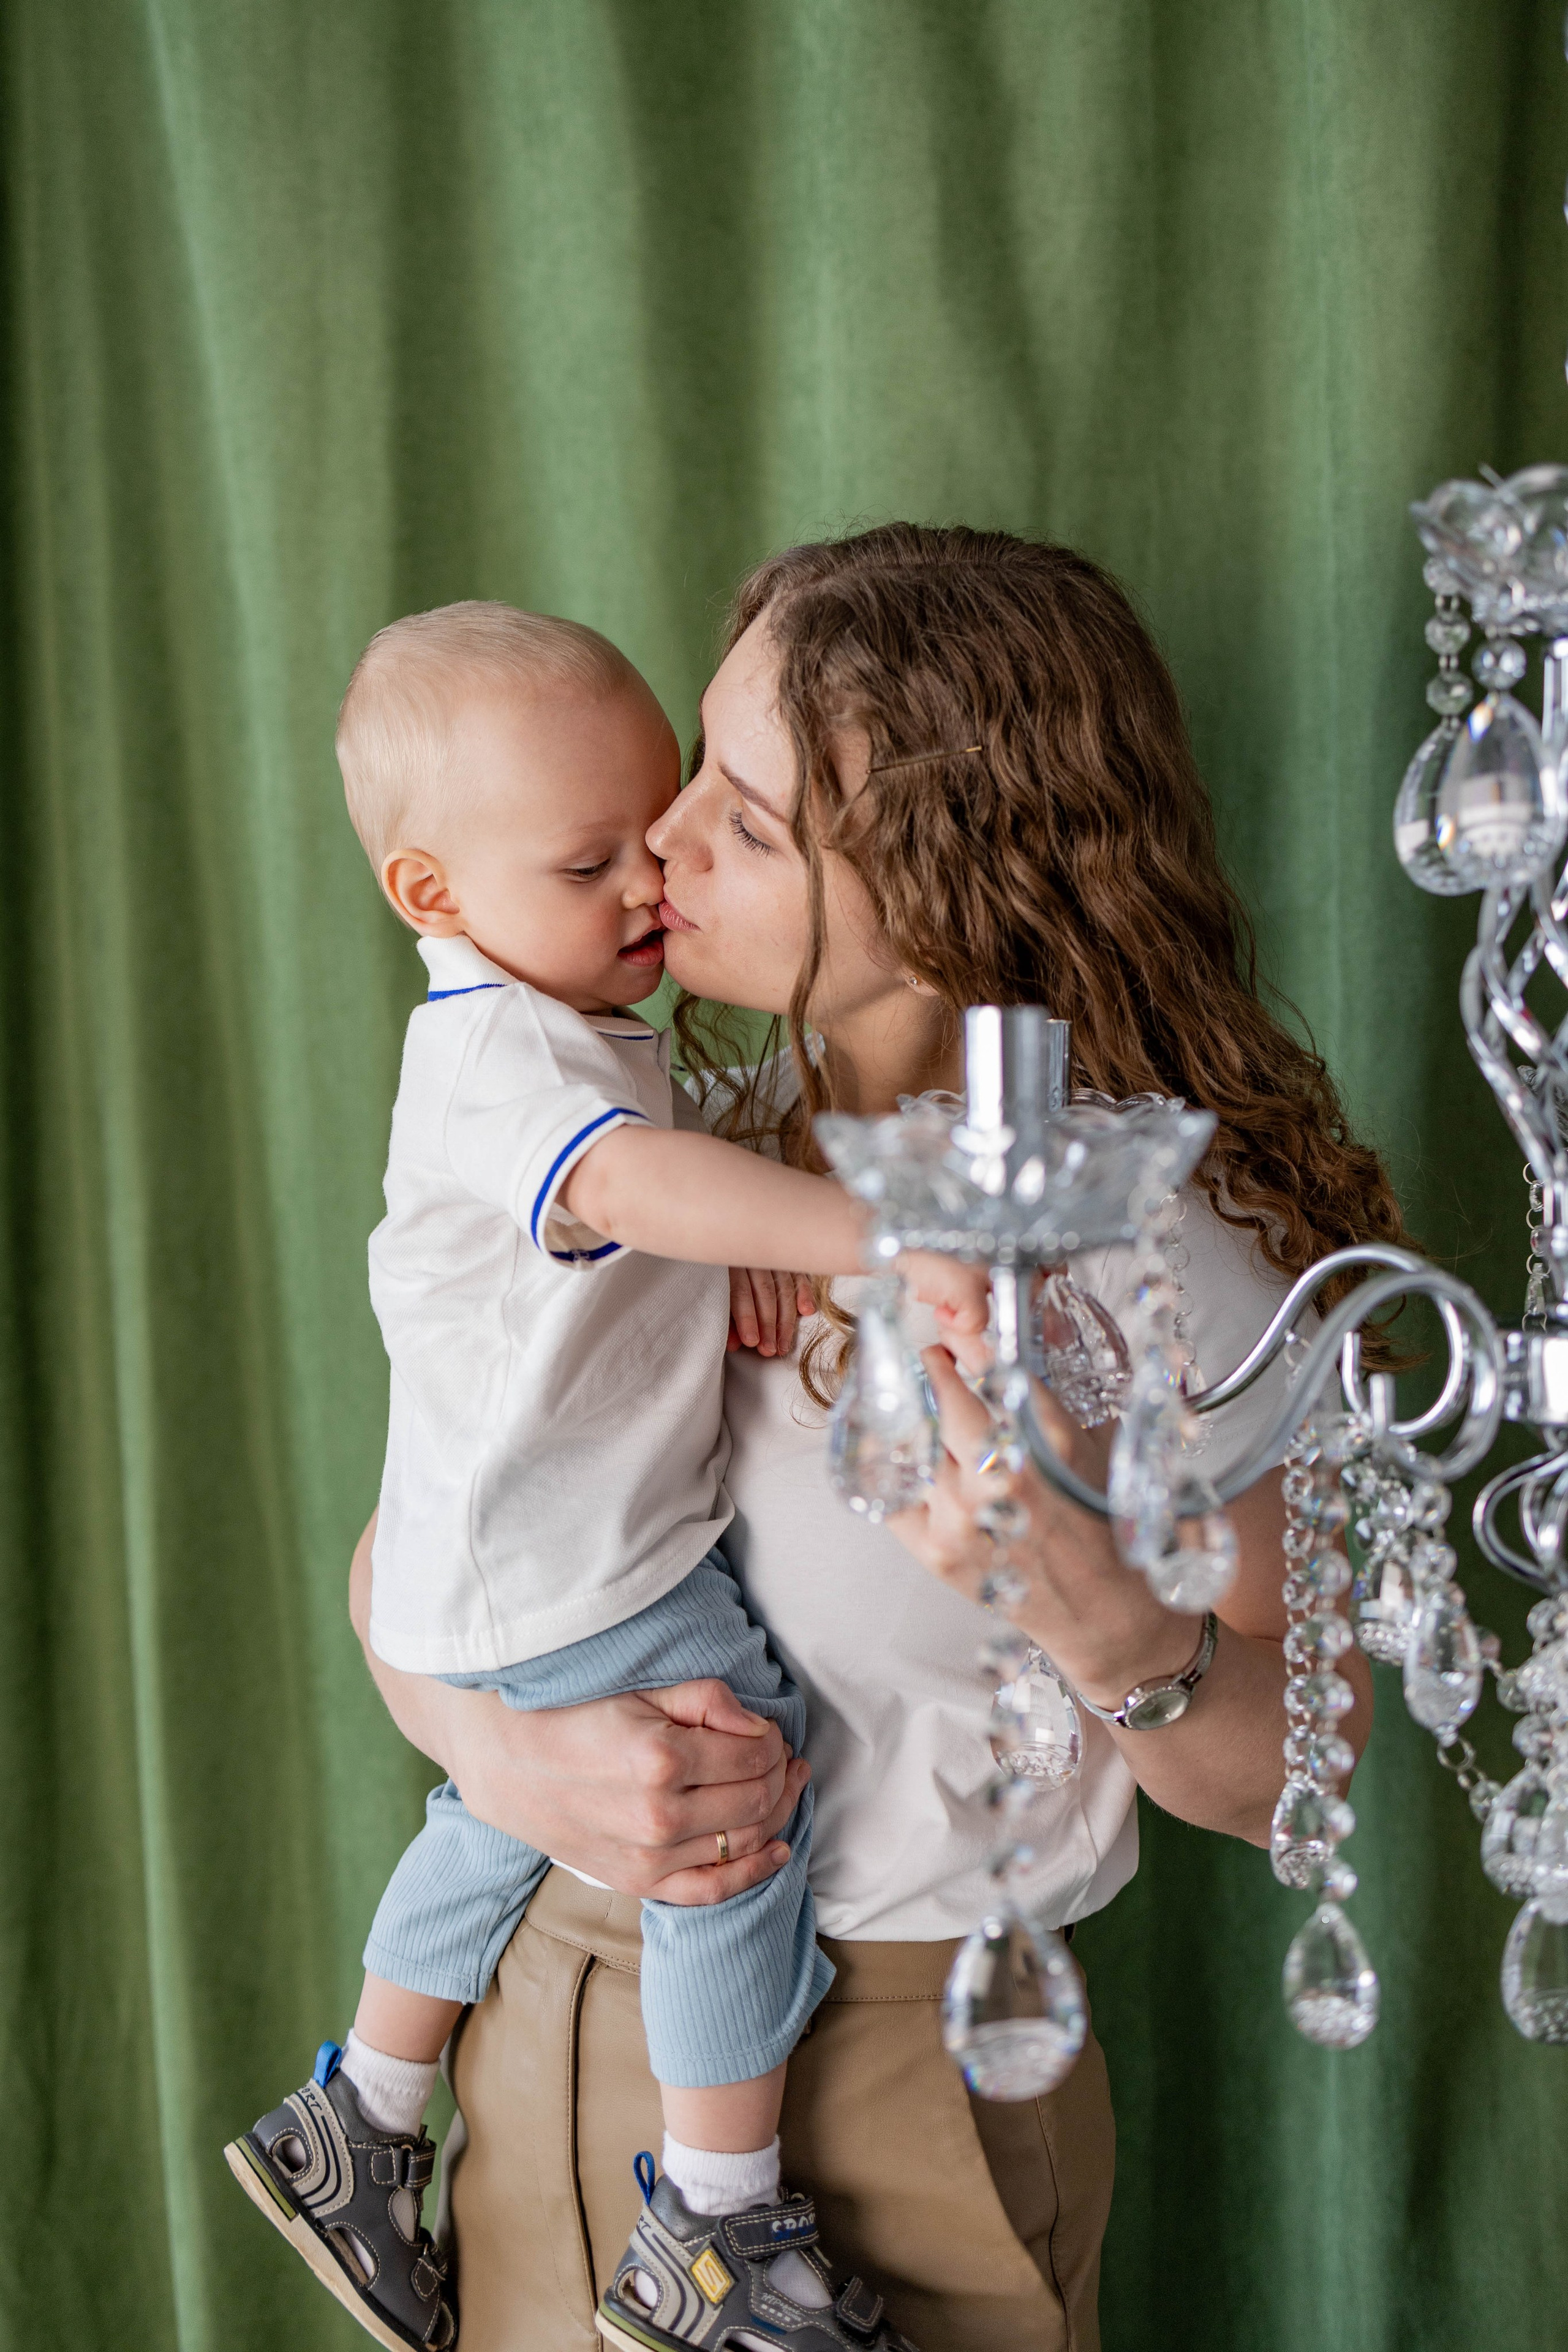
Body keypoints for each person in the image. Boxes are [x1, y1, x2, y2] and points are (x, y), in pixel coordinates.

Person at [350, 527, 1405, 2352]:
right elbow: (409, 1553)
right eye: (698, 767)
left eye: (748, 824)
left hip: (898, 2085)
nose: (662, 840)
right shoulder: (670, 1141)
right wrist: (502, 1757)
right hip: (538, 2040)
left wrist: (1104, 1622)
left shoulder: (1150, 1244)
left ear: (946, 885)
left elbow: (1300, 1775)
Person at [224, 601, 983, 2352]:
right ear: (432, 894)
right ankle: (716, 2224)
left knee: (497, 1805)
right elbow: (629, 1190)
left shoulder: (570, 1036)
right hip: (570, 1564)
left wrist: (744, 1250)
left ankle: (363, 2115)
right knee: (730, 1802)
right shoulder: (502, 1057)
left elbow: (636, 1232)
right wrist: (871, 1238)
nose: (651, 885)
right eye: (589, 866)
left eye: (658, 834)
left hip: (496, 1560)